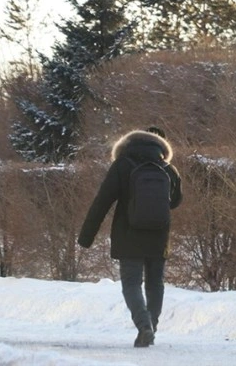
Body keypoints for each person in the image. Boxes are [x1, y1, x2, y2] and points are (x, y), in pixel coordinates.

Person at [78, 126, 183, 348]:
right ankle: (151, 325)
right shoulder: (167, 168)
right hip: (158, 234)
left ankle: (143, 326)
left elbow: (102, 201)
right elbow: (175, 201)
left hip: (128, 236)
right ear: (160, 146)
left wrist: (86, 237)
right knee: (155, 284)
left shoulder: (123, 165)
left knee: (131, 284)